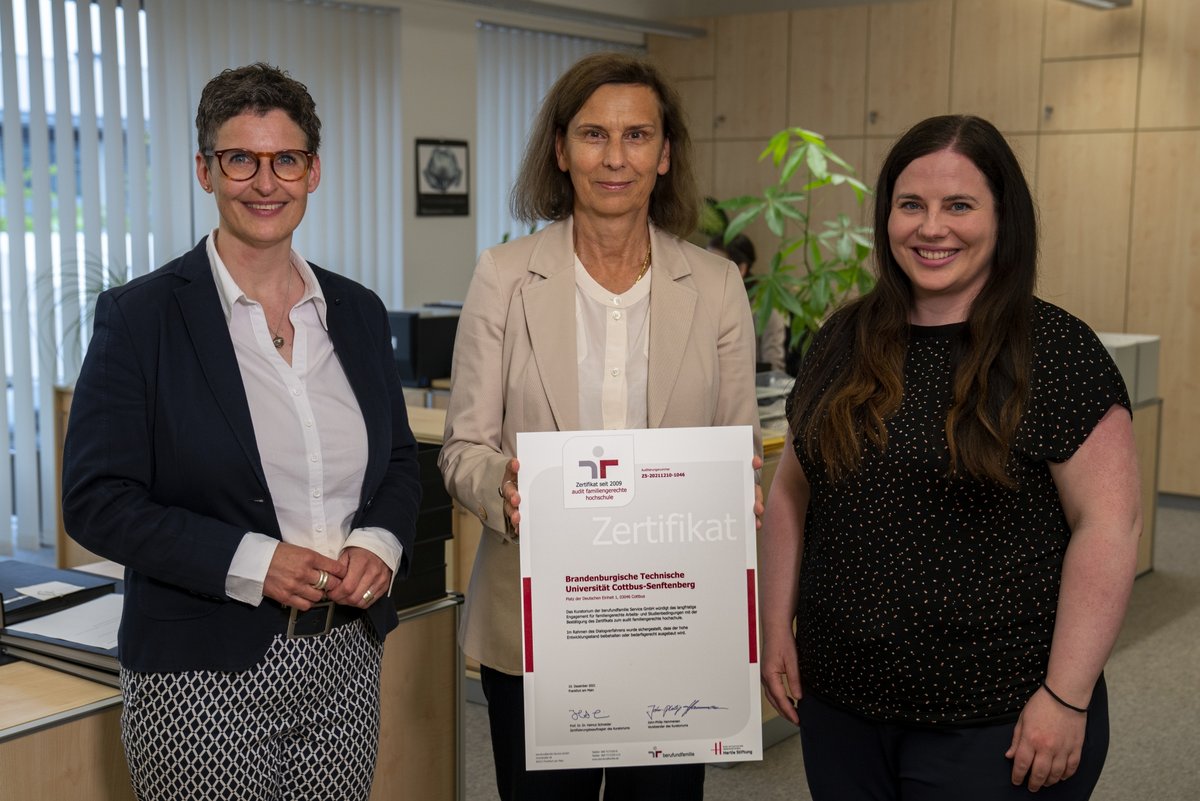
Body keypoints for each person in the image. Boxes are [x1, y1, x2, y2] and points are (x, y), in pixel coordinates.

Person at [61, 63, 422, 801]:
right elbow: (98, 499)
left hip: (344, 659)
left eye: (285, 159)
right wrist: (256, 561)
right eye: (240, 160)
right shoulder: (141, 318)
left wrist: (379, 543)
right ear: (205, 170)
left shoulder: (354, 310)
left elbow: (398, 460)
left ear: (312, 171)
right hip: (201, 673)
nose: (266, 182)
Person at [759, 114, 1141, 800]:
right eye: (912, 205)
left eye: (958, 205)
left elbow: (1109, 528)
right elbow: (793, 490)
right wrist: (774, 623)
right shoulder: (843, 337)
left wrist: (1068, 695)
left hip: (995, 720)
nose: (931, 227)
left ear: (1003, 218)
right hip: (841, 707)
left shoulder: (1054, 351)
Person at [439, 52, 761, 800]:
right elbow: (462, 450)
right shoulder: (504, 277)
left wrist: (730, 490)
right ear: (560, 150)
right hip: (534, 626)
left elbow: (737, 443)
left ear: (665, 152)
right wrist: (504, 486)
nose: (615, 157)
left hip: (675, 626)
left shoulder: (715, 287)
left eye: (637, 135)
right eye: (593, 135)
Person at [707, 233, 787, 372]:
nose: (706, 272)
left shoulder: (765, 309)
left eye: (715, 265)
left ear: (741, 269)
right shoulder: (703, 301)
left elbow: (774, 370)